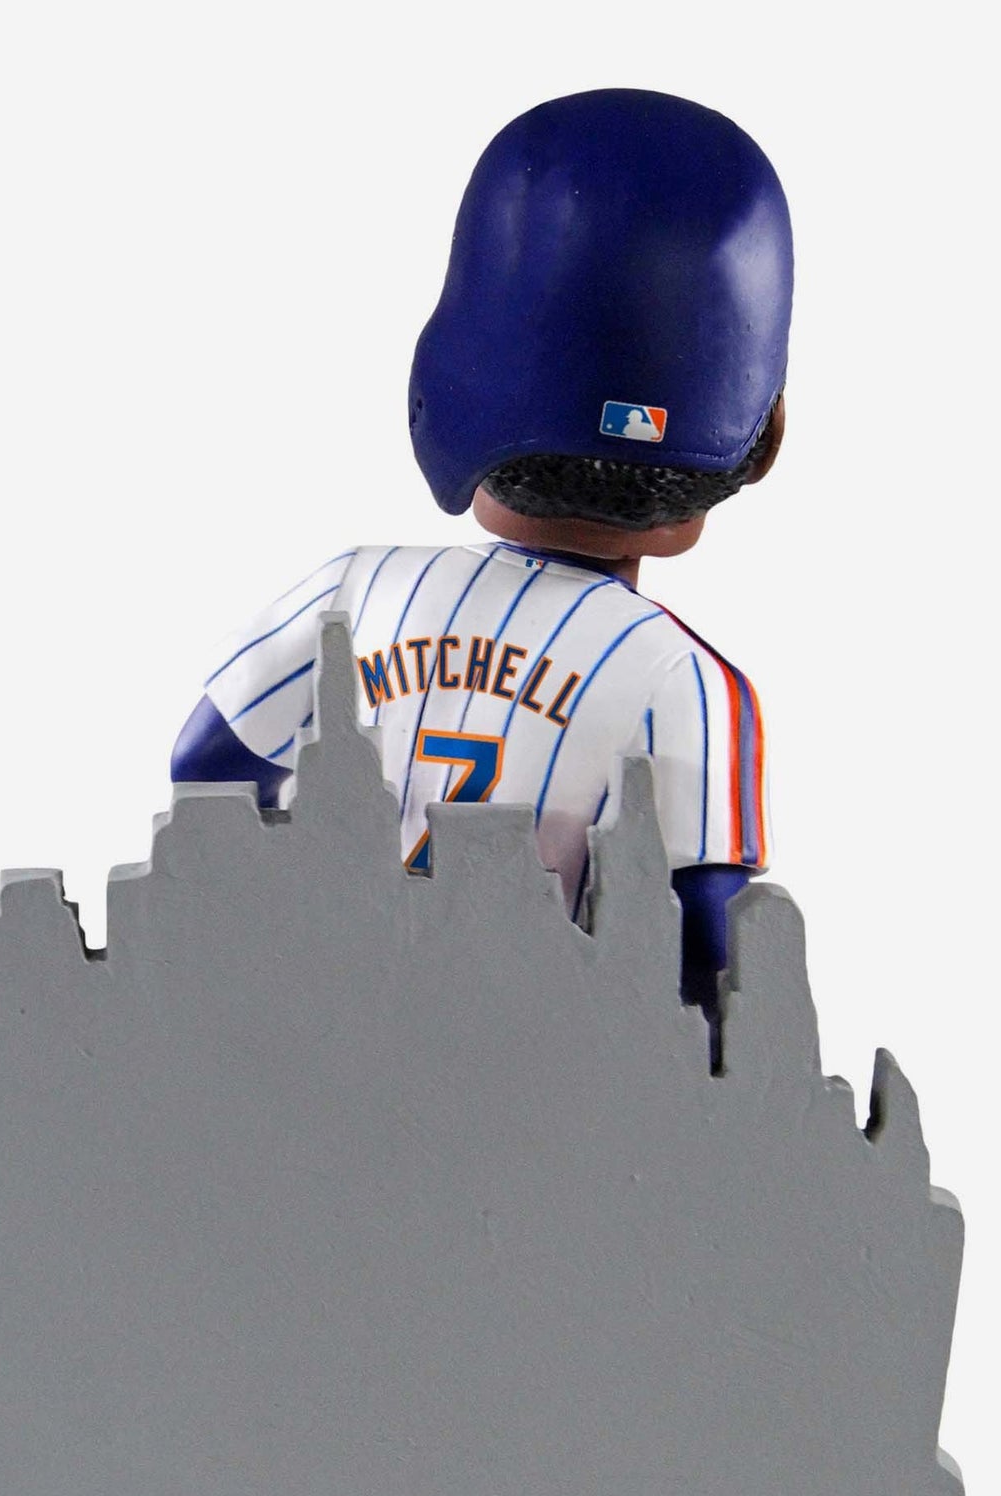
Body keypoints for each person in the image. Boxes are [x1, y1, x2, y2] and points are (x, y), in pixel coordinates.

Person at [170, 88, 791, 1009]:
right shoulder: (686, 683)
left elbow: (205, 774)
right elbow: (709, 962)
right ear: (762, 436)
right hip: (533, 1069)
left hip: (315, 1040)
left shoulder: (353, 589)